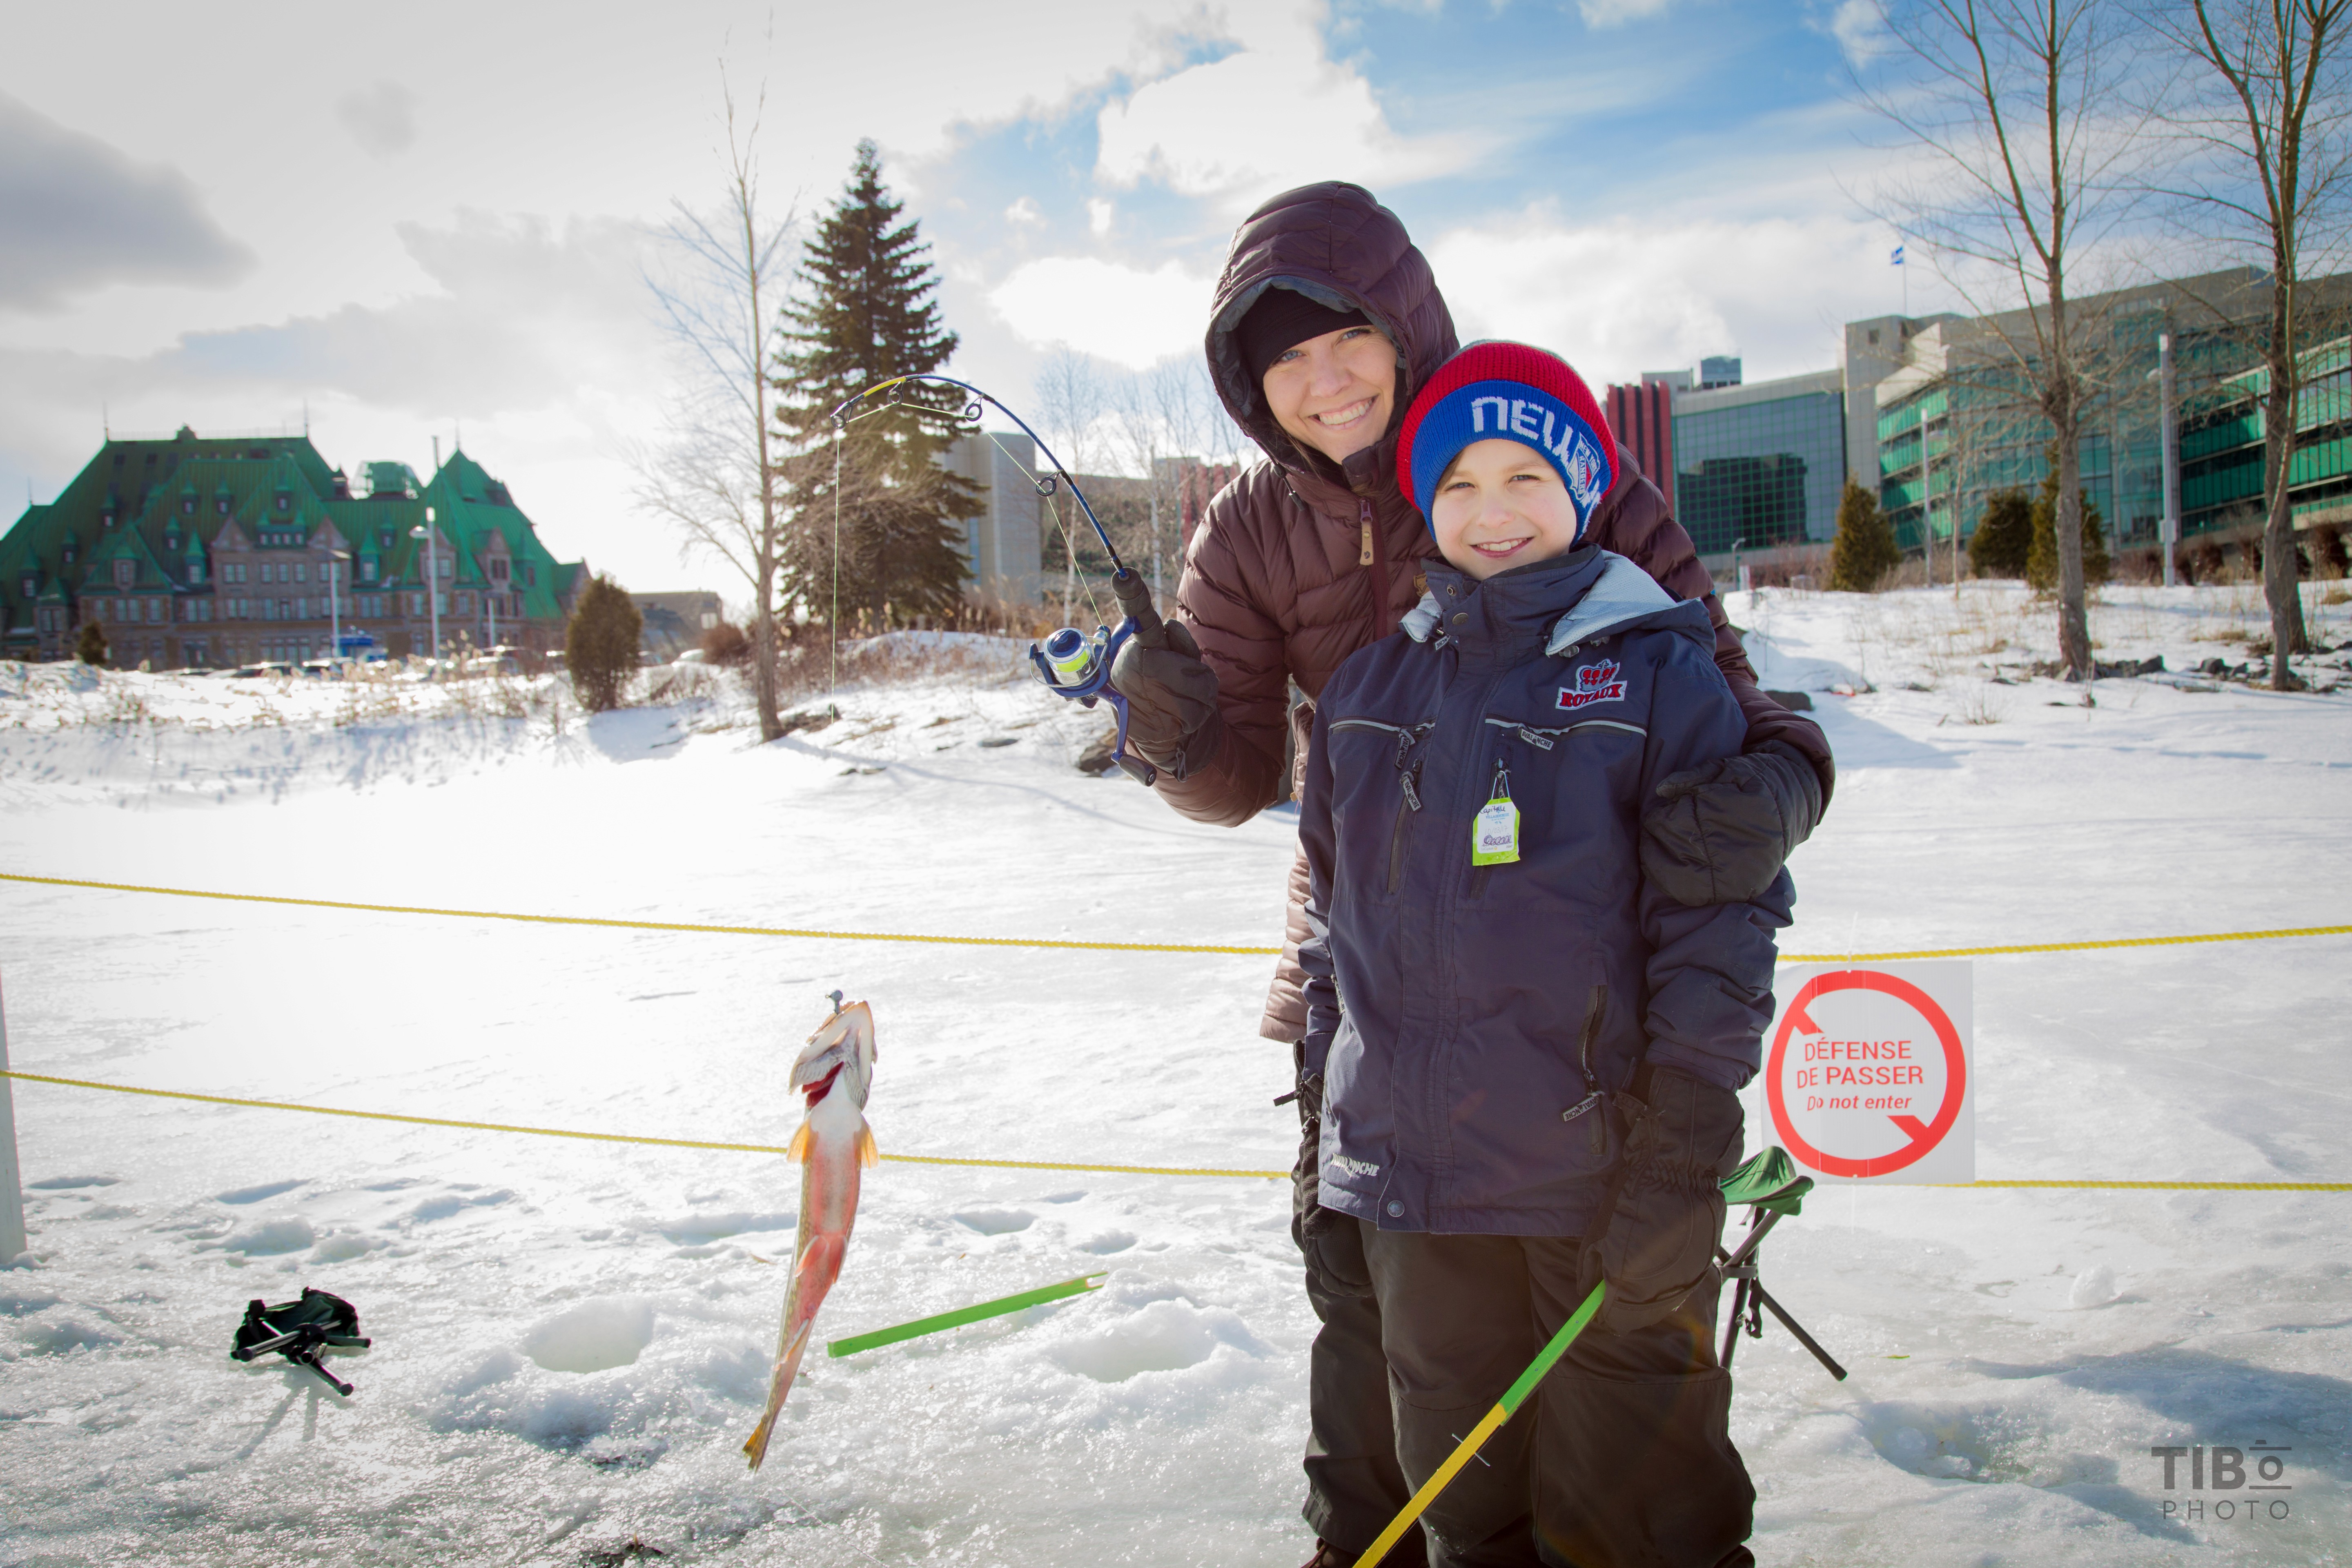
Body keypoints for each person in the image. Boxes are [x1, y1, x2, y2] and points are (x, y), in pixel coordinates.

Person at [1106, 183, 1830, 1567]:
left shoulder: (1537, 448)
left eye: (1347, 342)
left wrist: (1789, 783)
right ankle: (1368, 1544)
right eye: (1285, 361)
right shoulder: (1251, 533)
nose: (1324, 383)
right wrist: (1167, 726)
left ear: (1405, 325)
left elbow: (1718, 692)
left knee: (1609, 1359)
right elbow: (1247, 780)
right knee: (1375, 1314)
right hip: (1373, 965)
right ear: (1249, 387)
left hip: (1581, 980)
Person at [1290, 339, 1789, 1568]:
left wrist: (1684, 1140)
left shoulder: (1657, 671)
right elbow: (1328, 934)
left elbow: (1716, 925)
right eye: (1457, 484)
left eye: (1524, 475)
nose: (1491, 509)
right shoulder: (1366, 688)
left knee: (1639, 1519)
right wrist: (1320, 1127)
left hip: (1600, 1185)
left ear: (1580, 489)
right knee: (1470, 1514)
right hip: (1413, 1195)